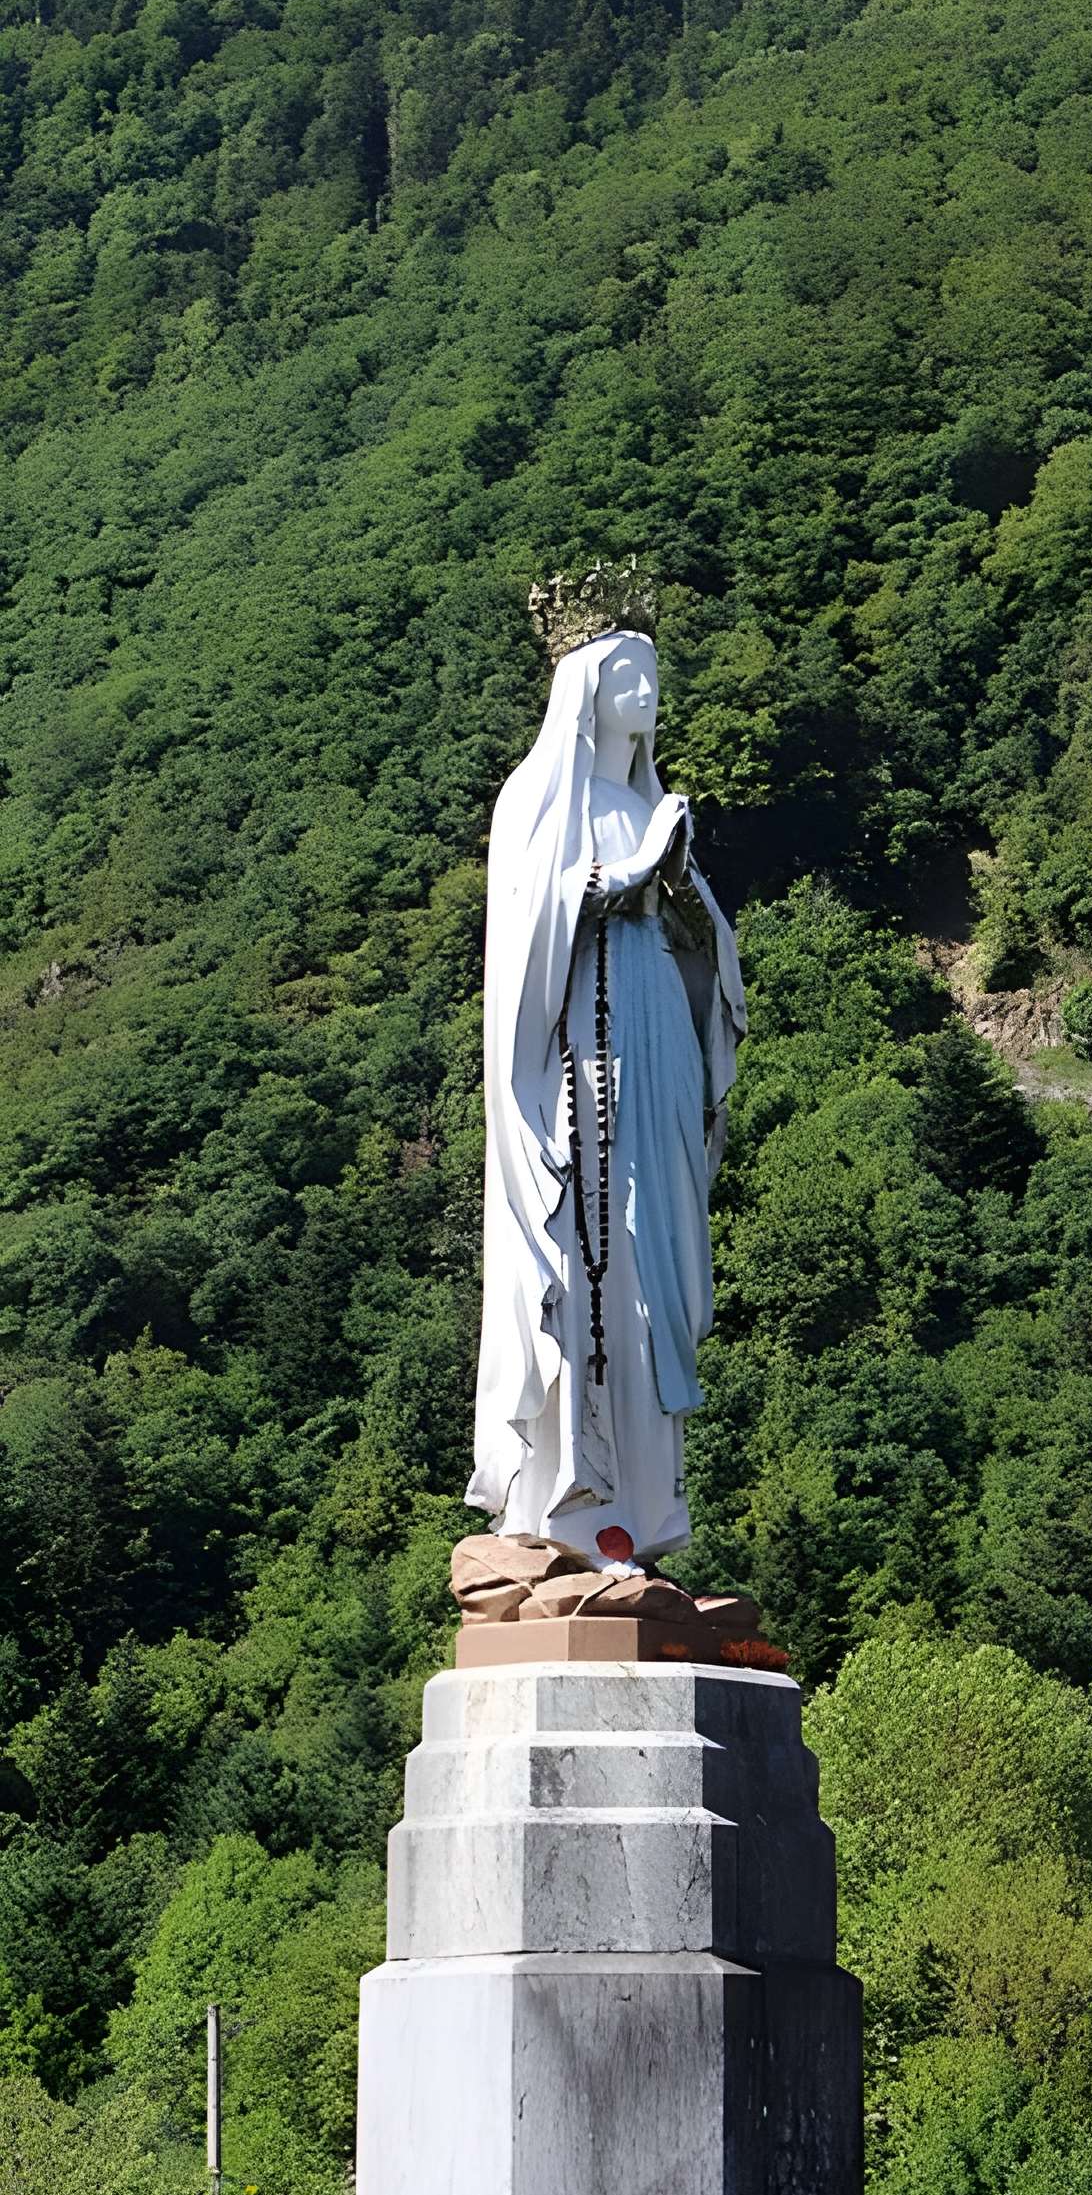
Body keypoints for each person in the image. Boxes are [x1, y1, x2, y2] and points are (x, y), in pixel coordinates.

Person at [465, 627, 746, 1569]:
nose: (649, 690)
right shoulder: (538, 796)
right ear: (585, 688)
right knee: (603, 1258)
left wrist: (677, 885)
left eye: (658, 675)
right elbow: (527, 935)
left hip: (657, 1029)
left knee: (658, 1268)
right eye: (629, 674)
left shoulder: (645, 799)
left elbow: (703, 933)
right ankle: (572, 1503)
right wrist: (626, 876)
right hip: (588, 1055)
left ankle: (649, 1507)